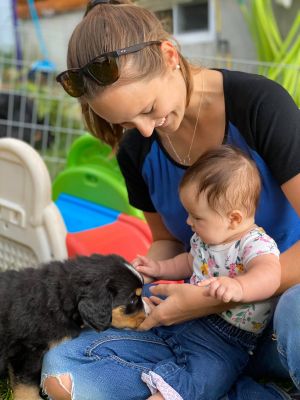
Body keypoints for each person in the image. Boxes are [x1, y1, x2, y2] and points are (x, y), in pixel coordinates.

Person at [42, 0, 300, 399]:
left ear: (168, 55)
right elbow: (169, 240)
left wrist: (212, 298)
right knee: (63, 370)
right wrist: (147, 276)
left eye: (148, 109)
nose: (144, 131)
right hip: (200, 327)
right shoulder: (136, 151)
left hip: (278, 318)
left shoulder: (260, 106)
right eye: (127, 123)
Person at [132, 145, 281, 400]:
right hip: (186, 312)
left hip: (227, 340)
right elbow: (189, 261)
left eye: (197, 217)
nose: (189, 222)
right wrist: (158, 269)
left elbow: (270, 274)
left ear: (233, 219)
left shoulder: (254, 243)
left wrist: (240, 287)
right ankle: (128, 317)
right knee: (141, 295)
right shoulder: (205, 238)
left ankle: (170, 393)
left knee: (205, 377)